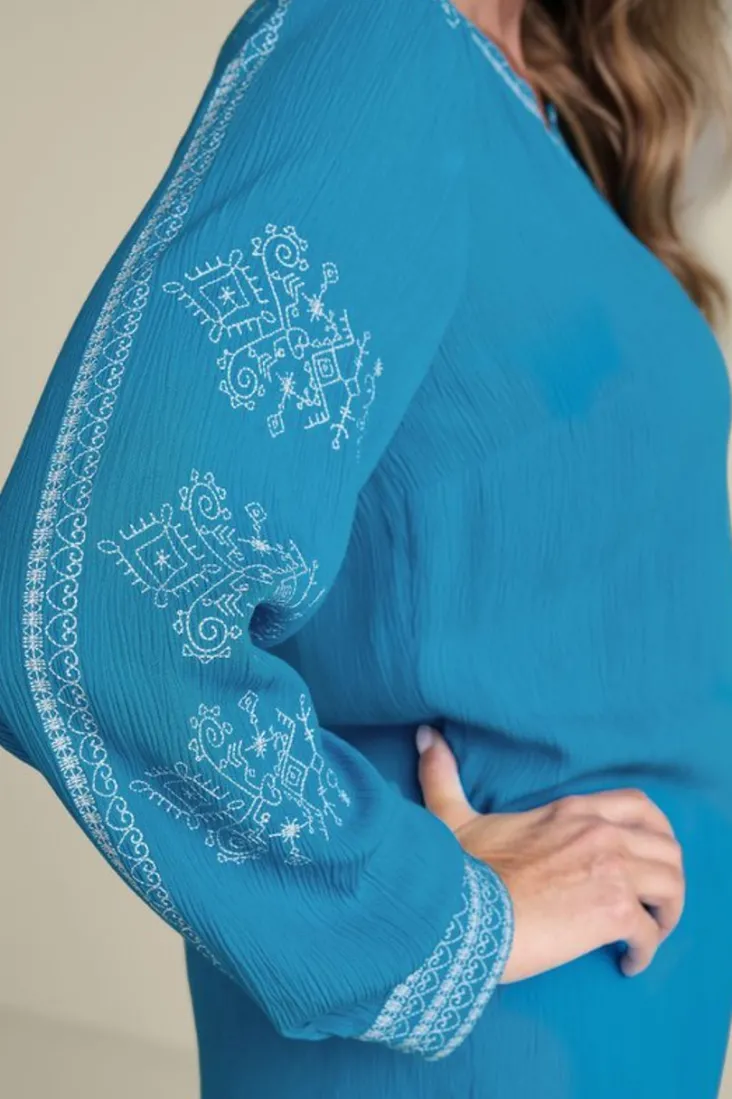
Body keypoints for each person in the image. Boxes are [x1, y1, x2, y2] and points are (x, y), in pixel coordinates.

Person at [0, 0, 731, 1095]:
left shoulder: (542, 115)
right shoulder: (380, 38)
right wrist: (431, 921)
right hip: (487, 1050)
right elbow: (102, 604)